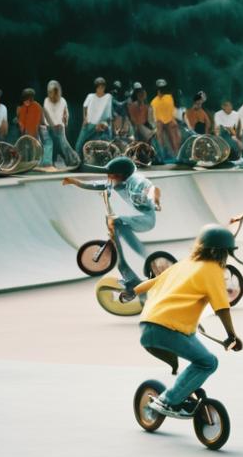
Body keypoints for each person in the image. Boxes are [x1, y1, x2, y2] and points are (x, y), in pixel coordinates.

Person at [135, 224, 243, 419]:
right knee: (207, 362)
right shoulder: (213, 270)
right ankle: (168, 400)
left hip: (148, 323)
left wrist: (130, 293)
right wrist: (232, 335)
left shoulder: (184, 263)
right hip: (166, 328)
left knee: (196, 348)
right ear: (221, 252)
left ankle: (181, 393)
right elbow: (222, 308)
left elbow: (151, 283)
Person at [62, 156, 160, 297]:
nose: (108, 177)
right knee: (117, 227)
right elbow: (96, 185)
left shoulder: (136, 182)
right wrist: (75, 182)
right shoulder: (114, 182)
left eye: (110, 174)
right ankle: (137, 267)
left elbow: (150, 188)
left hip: (145, 219)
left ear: (120, 175)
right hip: (134, 219)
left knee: (115, 221)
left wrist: (152, 199)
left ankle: (143, 259)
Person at [75, 77, 113, 161]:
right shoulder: (90, 96)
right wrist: (85, 118)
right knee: (79, 144)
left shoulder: (108, 97)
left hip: (99, 125)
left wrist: (104, 124)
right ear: (96, 88)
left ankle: (92, 161)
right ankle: (77, 161)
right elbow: (85, 106)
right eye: (99, 87)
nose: (101, 89)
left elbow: (108, 114)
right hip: (88, 124)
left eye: (102, 87)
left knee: (94, 145)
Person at [42, 80, 78, 169]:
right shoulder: (46, 100)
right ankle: (49, 162)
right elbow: (46, 115)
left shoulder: (62, 101)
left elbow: (66, 112)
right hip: (49, 127)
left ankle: (72, 161)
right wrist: (51, 125)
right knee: (51, 144)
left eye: (55, 93)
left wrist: (66, 120)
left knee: (63, 145)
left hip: (60, 127)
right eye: (50, 93)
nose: (53, 95)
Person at [150, 79, 181, 161]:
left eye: (163, 88)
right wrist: (157, 124)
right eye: (160, 88)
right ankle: (161, 154)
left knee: (172, 133)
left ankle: (177, 155)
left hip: (168, 120)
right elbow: (155, 116)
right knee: (159, 131)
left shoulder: (169, 98)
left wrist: (172, 121)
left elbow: (171, 111)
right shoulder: (154, 102)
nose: (162, 90)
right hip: (159, 122)